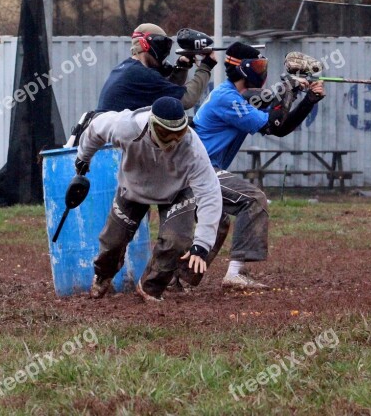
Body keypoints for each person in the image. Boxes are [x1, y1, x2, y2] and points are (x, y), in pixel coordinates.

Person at [190, 42, 325, 290]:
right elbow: (273, 122)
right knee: (252, 199)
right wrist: (289, 89)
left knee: (218, 222)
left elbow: (280, 128)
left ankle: (182, 279)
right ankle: (233, 275)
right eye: (260, 66)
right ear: (245, 70)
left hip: (201, 168)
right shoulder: (227, 99)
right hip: (199, 171)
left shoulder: (234, 96)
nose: (263, 71)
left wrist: (307, 100)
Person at [75, 96, 222, 302]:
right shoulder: (126, 127)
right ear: (152, 125)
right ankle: (103, 275)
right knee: (112, 243)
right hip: (133, 187)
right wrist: (83, 158)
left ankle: (150, 286)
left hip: (177, 191)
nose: (172, 141)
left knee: (177, 242)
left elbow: (210, 192)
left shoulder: (191, 145)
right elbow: (95, 129)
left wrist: (202, 244)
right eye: (166, 133)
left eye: (178, 134)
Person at [96, 23, 216, 112]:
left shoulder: (126, 69)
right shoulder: (141, 74)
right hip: (113, 143)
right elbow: (187, 99)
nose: (165, 52)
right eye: (162, 45)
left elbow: (164, 93)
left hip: (109, 139)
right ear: (145, 44)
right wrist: (206, 66)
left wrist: (181, 67)